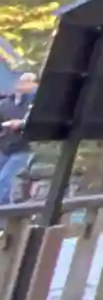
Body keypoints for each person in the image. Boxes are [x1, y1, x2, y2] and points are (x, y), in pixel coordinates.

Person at [0, 72, 36, 205]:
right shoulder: (4, 104)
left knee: (5, 180)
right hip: (4, 147)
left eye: (28, 82)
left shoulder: (34, 103)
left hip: (23, 148)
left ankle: (4, 212)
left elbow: (35, 123)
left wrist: (20, 124)